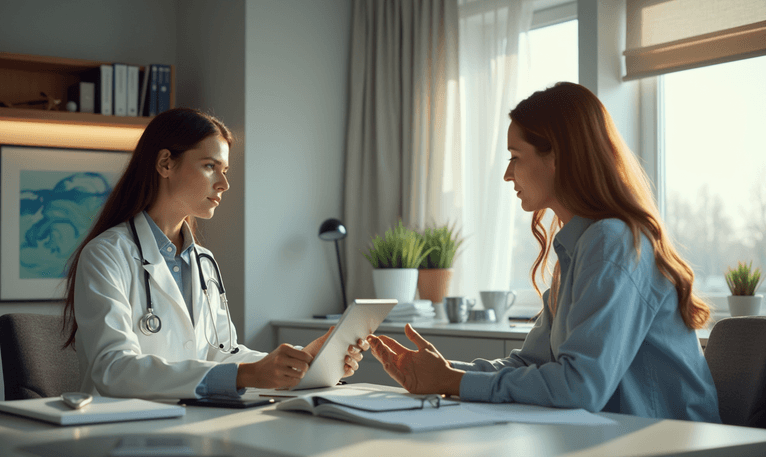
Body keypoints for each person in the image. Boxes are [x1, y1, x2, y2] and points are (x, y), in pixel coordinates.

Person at [367, 82, 721, 423]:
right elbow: (530, 364)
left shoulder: (612, 241)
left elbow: (579, 386)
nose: (508, 174)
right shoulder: (580, 247)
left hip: (671, 443)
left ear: (557, 156)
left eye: (515, 157)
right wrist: (443, 373)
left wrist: (451, 383)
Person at [62, 108, 368, 400]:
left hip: (192, 422)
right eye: (210, 166)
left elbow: (222, 352)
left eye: (224, 170)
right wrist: (247, 375)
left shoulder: (202, 262)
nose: (223, 184)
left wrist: (299, 362)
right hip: (119, 432)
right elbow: (114, 369)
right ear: (165, 163)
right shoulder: (106, 255)